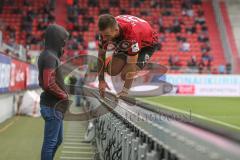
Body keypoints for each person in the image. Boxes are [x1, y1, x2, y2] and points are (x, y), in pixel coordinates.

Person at [97, 14, 159, 97]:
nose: (104, 39)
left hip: (146, 46)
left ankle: (126, 60)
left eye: (107, 36)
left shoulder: (131, 35)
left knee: (125, 75)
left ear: (116, 30)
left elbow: (131, 63)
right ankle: (119, 58)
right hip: (126, 40)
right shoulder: (107, 31)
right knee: (112, 70)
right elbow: (101, 56)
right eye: (103, 35)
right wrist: (101, 81)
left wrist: (125, 91)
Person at [38, 24, 70, 160]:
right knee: (50, 143)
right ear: (57, 39)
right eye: (63, 40)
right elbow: (48, 83)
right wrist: (64, 95)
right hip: (52, 106)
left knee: (57, 140)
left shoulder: (50, 55)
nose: (64, 43)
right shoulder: (50, 57)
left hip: (54, 106)